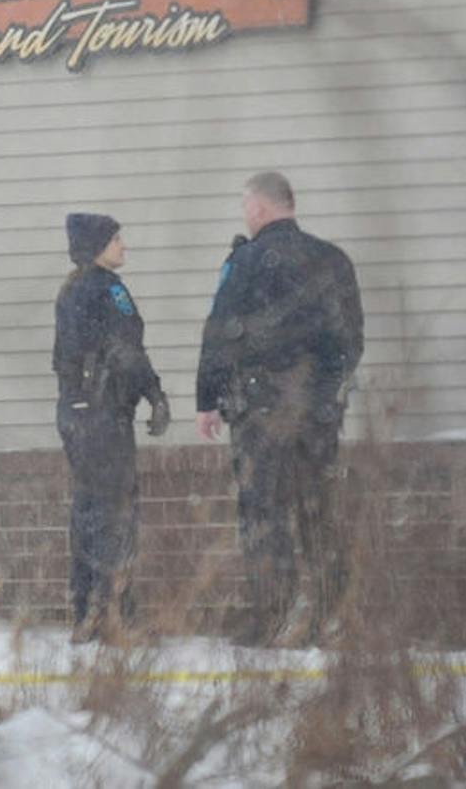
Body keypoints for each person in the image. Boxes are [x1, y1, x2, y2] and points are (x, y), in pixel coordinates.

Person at [195, 172, 364, 646]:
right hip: (318, 412)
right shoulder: (332, 260)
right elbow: (352, 339)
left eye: (246, 206)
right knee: (318, 506)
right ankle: (332, 612)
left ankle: (273, 613)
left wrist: (208, 399)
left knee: (263, 511)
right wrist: (324, 392)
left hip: (260, 409)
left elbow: (221, 331)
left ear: (259, 208)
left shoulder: (247, 262)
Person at [53, 212, 171, 641]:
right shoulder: (109, 289)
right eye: (116, 239)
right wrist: (154, 394)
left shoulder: (69, 291)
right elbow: (128, 351)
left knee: (87, 509)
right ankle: (114, 613)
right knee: (115, 512)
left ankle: (84, 608)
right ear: (97, 246)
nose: (123, 246)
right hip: (105, 413)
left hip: (75, 412)